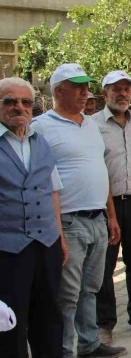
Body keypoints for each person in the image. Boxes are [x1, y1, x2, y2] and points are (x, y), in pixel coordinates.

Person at [31, 64, 126, 358]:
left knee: (91, 288)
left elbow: (101, 171)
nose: (86, 92)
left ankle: (89, 344)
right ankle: (64, 351)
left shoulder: (91, 124)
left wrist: (111, 215)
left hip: (97, 218)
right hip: (68, 222)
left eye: (87, 86)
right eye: (78, 87)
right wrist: (56, 229)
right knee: (68, 294)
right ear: (59, 91)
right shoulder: (41, 127)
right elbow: (38, 181)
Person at [0, 77, 65, 358]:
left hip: (47, 245)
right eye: (10, 101)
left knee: (49, 319)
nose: (19, 107)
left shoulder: (41, 141)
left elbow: (52, 192)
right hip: (8, 250)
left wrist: (60, 238)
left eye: (26, 102)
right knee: (10, 324)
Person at [92, 71, 131, 343]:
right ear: (104, 93)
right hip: (109, 204)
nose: (122, 94)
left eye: (126, 89)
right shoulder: (92, 125)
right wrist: (110, 213)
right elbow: (96, 170)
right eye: (116, 89)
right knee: (105, 267)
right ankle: (104, 323)